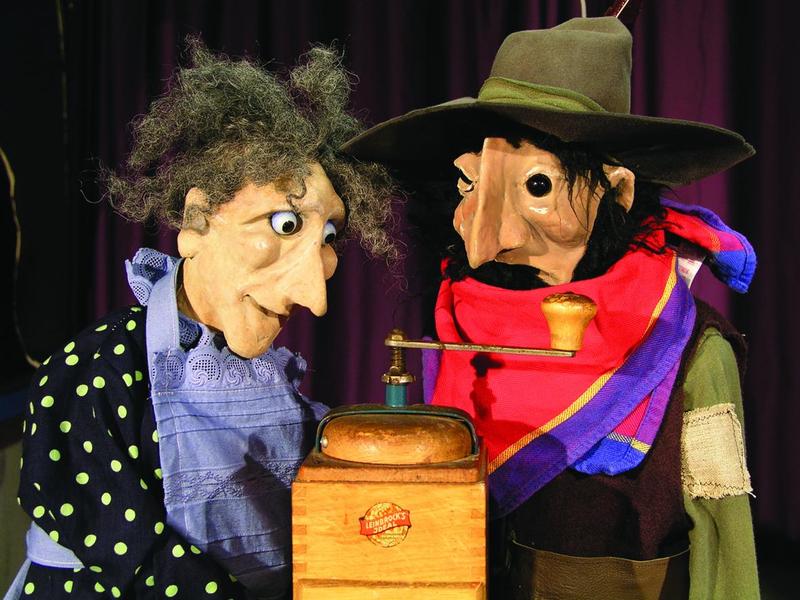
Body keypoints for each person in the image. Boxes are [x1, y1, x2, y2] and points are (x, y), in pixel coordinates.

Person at [344, 16, 759, 600]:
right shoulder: (466, 324)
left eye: (537, 186)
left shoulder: (689, 349)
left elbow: (724, 538)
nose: (484, 240)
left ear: (616, 192)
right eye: (471, 184)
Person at [7, 41, 394, 600]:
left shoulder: (270, 377)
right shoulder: (94, 371)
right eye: (285, 225)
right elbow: (138, 559)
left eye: (328, 237)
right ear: (196, 222)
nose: (315, 298)